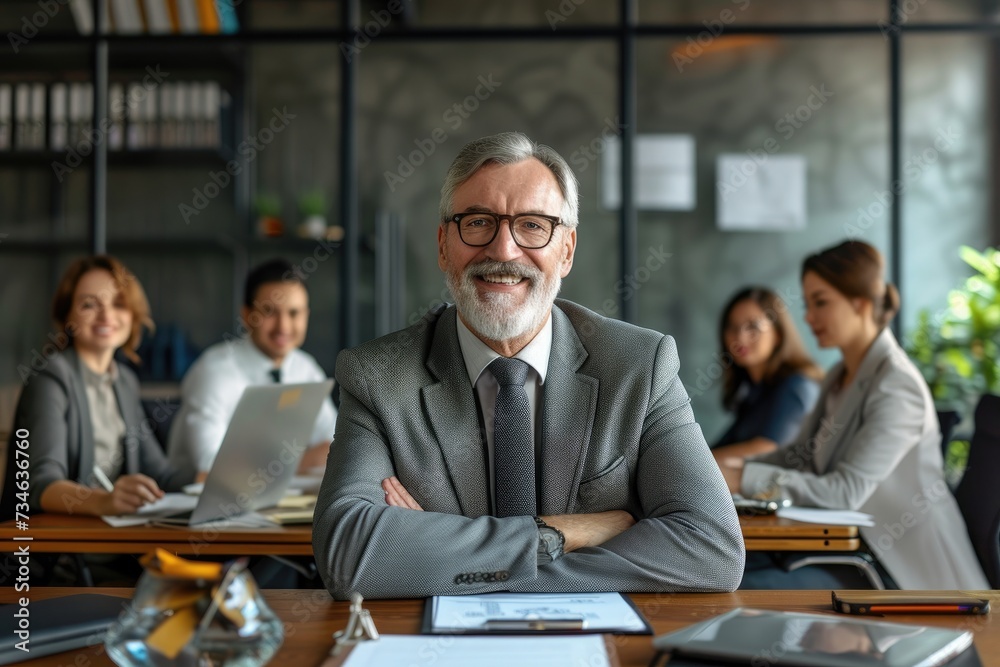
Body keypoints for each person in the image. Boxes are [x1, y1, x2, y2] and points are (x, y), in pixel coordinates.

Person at [313, 131, 744, 600]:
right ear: (443, 246)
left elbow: (711, 547)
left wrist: (438, 558)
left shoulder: (639, 366)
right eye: (478, 222)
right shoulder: (377, 376)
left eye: (534, 226)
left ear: (567, 250)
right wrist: (563, 534)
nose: (503, 251)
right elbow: (348, 555)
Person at [719, 240, 989, 590]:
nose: (808, 317)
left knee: (735, 583)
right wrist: (729, 472)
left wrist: (742, 480)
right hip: (854, 551)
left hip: (896, 568)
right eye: (808, 304)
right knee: (721, 567)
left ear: (860, 302)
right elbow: (797, 456)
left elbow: (846, 492)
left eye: (821, 302)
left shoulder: (897, 385)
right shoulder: (838, 375)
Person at [1, 256, 189, 521]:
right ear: (67, 315)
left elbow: (161, 474)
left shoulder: (124, 381)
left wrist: (221, 481)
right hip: (60, 553)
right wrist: (105, 501)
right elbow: (38, 485)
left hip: (118, 547)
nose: (107, 315)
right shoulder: (51, 376)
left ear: (132, 314)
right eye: (89, 304)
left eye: (119, 304)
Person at [167, 259, 336, 479]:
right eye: (269, 311)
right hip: (199, 504)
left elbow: (337, 446)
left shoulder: (306, 369)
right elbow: (211, 465)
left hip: (285, 502)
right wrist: (300, 461)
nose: (283, 326)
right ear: (247, 315)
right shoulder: (214, 372)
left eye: (294, 313)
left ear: (306, 316)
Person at [711, 287, 822, 462]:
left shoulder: (796, 387)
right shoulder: (751, 392)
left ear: (777, 334)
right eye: (732, 327)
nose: (740, 337)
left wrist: (693, 463)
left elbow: (768, 449)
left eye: (753, 327)